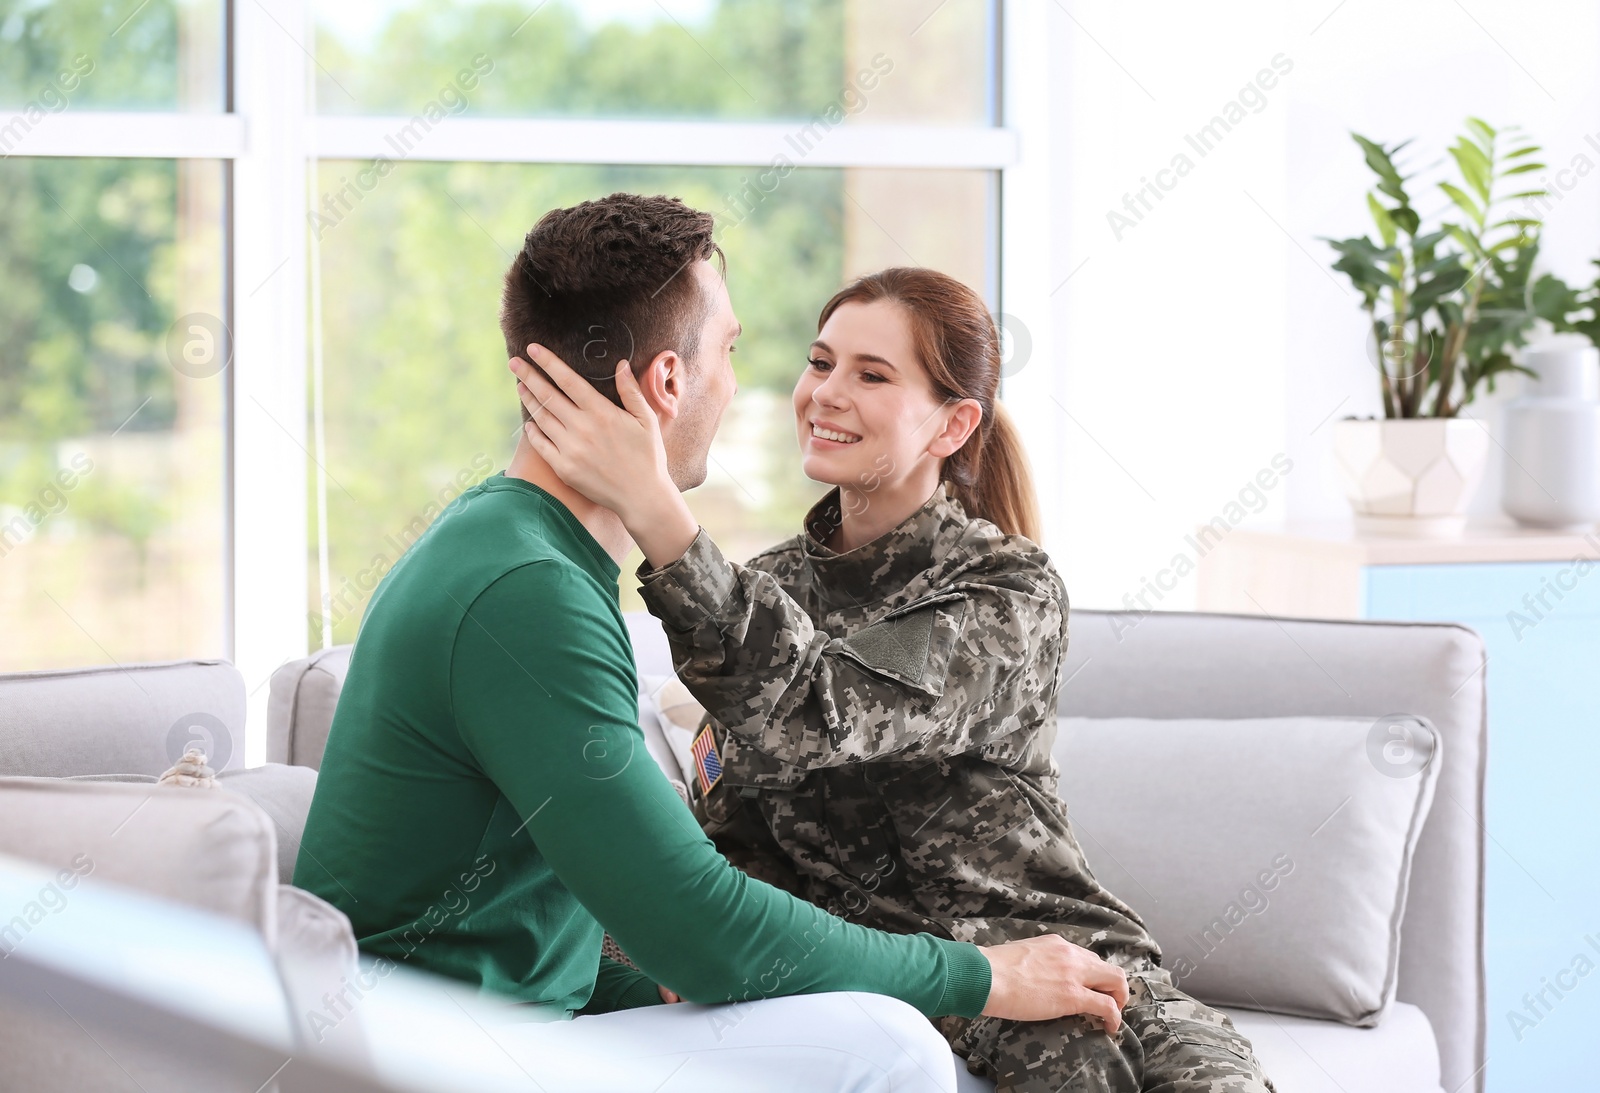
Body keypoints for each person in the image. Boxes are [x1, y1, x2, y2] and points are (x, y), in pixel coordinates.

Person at [294, 194, 1135, 1093]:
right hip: (436, 1059)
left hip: (472, 1033)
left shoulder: (508, 547)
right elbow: (694, 922)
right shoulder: (524, 591)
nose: (751, 385)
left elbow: (549, 917)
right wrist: (985, 974)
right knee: (890, 1047)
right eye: (729, 351)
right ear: (665, 383)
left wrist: (652, 989)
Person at [509, 265, 1278, 1093]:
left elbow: (816, 707)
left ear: (953, 424)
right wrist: (664, 954)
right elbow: (734, 837)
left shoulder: (1009, 591)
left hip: (1057, 959)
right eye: (821, 362)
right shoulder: (756, 598)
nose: (826, 392)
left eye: (871, 375)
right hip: (907, 986)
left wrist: (655, 507)